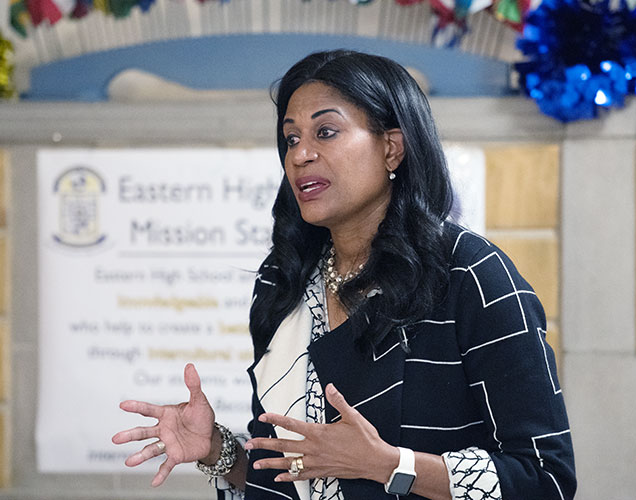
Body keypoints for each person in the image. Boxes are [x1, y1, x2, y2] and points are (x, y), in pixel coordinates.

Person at [112, 49, 576, 500]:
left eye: (326, 132)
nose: (299, 156)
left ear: (392, 148)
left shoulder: (470, 273)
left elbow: (545, 478)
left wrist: (389, 466)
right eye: (291, 139)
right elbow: (294, 472)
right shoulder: (285, 282)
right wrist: (217, 449)